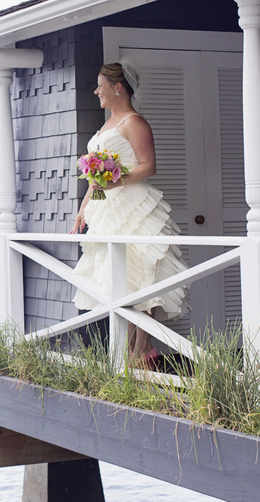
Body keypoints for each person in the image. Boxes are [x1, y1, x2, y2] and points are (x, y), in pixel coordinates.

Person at [69, 61, 188, 366]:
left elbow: (148, 166)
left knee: (141, 271)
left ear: (118, 87)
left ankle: (142, 347)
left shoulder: (134, 122)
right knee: (119, 277)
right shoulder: (108, 124)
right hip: (106, 208)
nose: (96, 92)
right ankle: (132, 349)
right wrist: (83, 210)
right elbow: (95, 178)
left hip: (132, 205)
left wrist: (115, 181)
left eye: (100, 86)